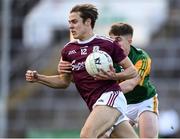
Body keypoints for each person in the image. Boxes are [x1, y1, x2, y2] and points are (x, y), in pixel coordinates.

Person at [25, 4, 138, 138]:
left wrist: (115, 76)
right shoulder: (68, 50)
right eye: (69, 22)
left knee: (86, 135)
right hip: (95, 103)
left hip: (111, 97)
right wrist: (39, 78)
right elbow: (64, 82)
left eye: (74, 22)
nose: (70, 26)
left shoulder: (107, 44)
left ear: (88, 22)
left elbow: (132, 71)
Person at [103, 22, 159, 138]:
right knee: (103, 135)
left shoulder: (141, 57)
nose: (114, 44)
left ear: (129, 41)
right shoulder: (106, 59)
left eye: (118, 40)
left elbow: (131, 84)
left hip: (144, 102)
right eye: (111, 40)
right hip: (121, 104)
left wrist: (105, 93)